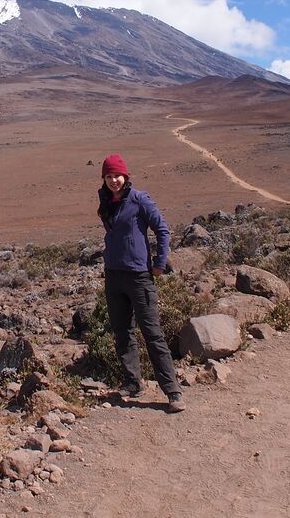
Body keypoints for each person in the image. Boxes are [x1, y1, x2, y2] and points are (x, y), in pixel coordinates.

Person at [97, 154, 186, 413]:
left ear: (126, 176)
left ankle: (172, 390)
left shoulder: (139, 200)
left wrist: (160, 262)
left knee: (152, 333)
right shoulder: (106, 201)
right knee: (122, 332)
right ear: (103, 178)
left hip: (139, 277)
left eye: (117, 175)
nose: (114, 180)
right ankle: (133, 382)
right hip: (114, 275)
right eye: (109, 176)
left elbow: (162, 229)